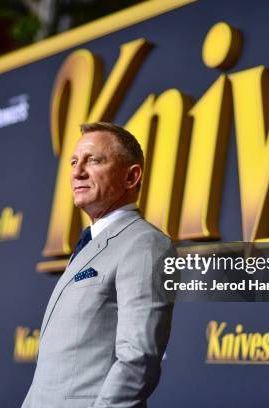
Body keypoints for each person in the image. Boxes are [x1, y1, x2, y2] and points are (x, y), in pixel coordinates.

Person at [22, 122, 176, 408]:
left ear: (131, 177)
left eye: (94, 160)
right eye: (74, 162)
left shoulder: (145, 243)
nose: (77, 172)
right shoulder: (88, 245)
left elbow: (138, 357)